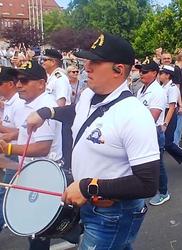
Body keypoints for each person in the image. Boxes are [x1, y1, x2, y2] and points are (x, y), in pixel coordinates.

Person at [26, 32, 160, 249]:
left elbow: (147, 184)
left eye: (95, 62)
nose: (86, 66)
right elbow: (78, 114)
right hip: (91, 203)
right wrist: (46, 112)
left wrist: (88, 187)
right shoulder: (89, 95)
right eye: (87, 60)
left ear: (119, 69)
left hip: (112, 214)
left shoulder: (134, 115)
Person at [0, 61, 62, 249]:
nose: (19, 85)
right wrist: (10, 136)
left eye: (25, 81)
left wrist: (9, 149)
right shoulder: (29, 104)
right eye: (17, 80)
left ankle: (74, 229)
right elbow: (25, 132)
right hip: (30, 170)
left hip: (43, 174)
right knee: (33, 227)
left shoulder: (45, 106)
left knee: (38, 231)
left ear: (42, 83)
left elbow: (43, 147)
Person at [135, 60, 169, 206]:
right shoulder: (141, 90)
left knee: (157, 164)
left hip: (153, 130)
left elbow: (151, 117)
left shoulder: (157, 92)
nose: (140, 74)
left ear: (154, 73)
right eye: (140, 71)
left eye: (144, 71)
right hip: (141, 130)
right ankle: (146, 190)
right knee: (142, 162)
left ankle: (163, 192)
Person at [0, 66, 23, 232]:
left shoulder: (19, 103)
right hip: (8, 152)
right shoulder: (9, 102)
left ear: (9, 84)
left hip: (15, 154)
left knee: (4, 194)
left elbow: (22, 133)